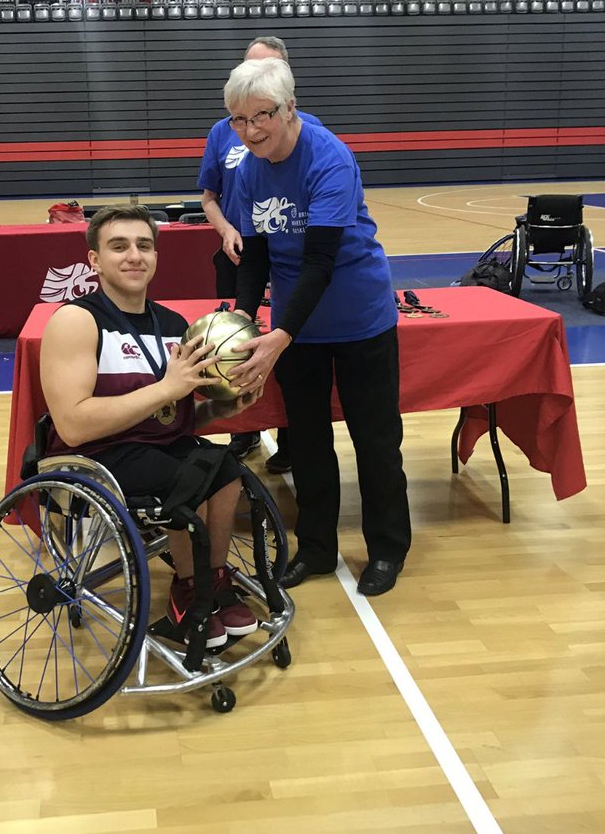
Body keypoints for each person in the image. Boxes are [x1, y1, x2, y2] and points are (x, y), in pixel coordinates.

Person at [222, 57, 412, 596]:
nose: (252, 129)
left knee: (375, 441)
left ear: (290, 107)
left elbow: (319, 262)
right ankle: (317, 548)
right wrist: (242, 318)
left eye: (262, 116)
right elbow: (254, 255)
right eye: (238, 119)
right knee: (305, 441)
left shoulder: (330, 159)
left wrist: (279, 334)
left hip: (358, 319)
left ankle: (387, 548)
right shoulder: (247, 169)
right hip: (297, 324)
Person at [40, 205, 264, 646]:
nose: (133, 256)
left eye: (144, 246)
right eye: (118, 246)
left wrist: (219, 412)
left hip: (158, 448)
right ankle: (187, 589)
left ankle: (211, 583)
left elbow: (174, 419)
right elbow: (73, 425)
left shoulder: (173, 325)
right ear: (94, 260)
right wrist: (167, 387)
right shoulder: (75, 321)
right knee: (189, 476)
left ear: (156, 257)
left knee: (225, 466)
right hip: (97, 457)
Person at [198, 35, 321, 473]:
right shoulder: (223, 130)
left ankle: (288, 437)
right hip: (243, 255)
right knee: (238, 342)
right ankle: (243, 427)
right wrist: (229, 229)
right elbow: (209, 197)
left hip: (290, 263)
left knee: (286, 350)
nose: (251, 127)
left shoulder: (312, 134)